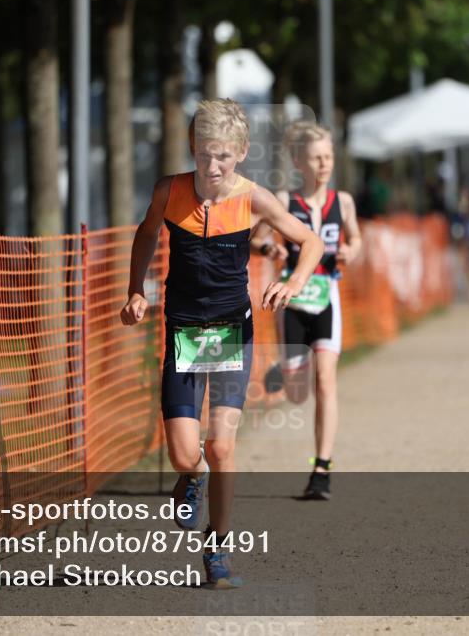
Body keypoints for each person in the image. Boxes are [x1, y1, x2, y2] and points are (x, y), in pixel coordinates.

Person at [120, 99, 323, 588]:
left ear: (243, 153)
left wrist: (293, 283)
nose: (213, 167)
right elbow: (146, 235)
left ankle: (218, 547)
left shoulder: (254, 199)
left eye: (225, 158)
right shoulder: (170, 191)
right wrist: (134, 291)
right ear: (193, 147)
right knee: (185, 454)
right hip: (184, 329)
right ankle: (192, 477)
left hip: (232, 328)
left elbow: (309, 241)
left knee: (222, 444)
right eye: (206, 155)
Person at [250, 121, 362, 500]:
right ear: (299, 161)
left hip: (326, 296)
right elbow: (256, 240)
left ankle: (322, 468)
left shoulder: (342, 202)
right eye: (317, 157)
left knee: (327, 381)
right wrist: (270, 250)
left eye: (329, 156)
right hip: (294, 301)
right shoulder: (284, 201)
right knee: (298, 393)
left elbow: (356, 236)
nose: (325, 163)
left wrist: (351, 250)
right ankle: (285, 372)